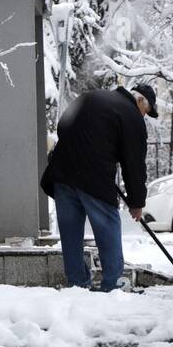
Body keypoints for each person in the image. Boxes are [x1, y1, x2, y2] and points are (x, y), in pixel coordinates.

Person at [41, 83, 157, 291]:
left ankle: (77, 282)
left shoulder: (91, 96)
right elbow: (134, 165)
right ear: (139, 101)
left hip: (62, 173)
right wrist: (137, 202)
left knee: (70, 233)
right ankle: (113, 283)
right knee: (107, 226)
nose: (144, 117)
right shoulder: (131, 116)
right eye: (146, 112)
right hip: (93, 177)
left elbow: (63, 126)